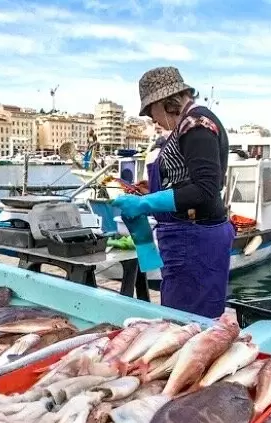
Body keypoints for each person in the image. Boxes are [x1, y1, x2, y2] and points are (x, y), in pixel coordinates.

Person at [111, 66, 234, 318]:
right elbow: (186, 177)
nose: (151, 118)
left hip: (195, 239)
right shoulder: (187, 125)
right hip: (188, 238)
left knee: (188, 323)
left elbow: (205, 188)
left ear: (165, 101)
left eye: (151, 111)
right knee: (180, 316)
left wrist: (145, 205)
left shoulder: (196, 124)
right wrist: (151, 190)